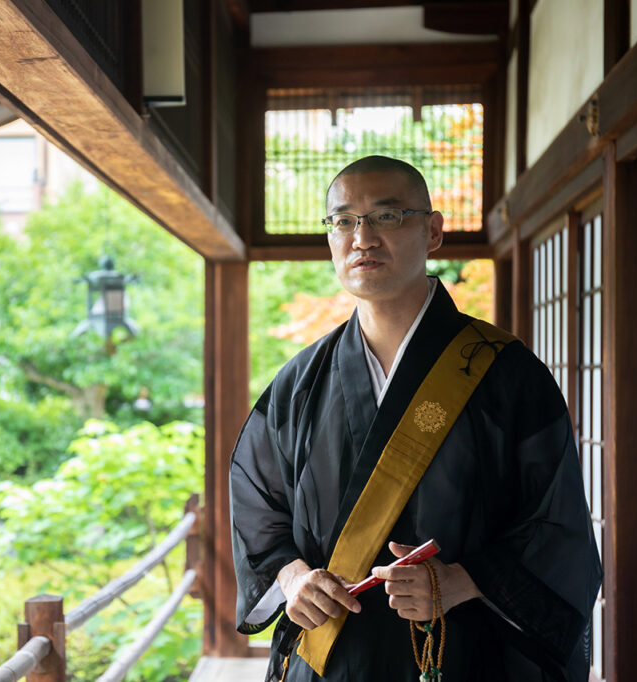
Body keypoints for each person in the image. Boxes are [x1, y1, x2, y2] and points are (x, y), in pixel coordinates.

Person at [229, 156, 602, 681]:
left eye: (387, 216)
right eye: (343, 220)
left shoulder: (506, 372)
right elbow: (257, 507)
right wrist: (293, 580)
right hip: (334, 658)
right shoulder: (300, 382)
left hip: (467, 655)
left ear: (433, 231)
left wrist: (465, 581)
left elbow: (555, 522)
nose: (363, 237)